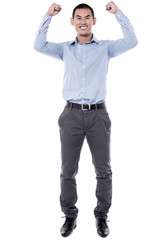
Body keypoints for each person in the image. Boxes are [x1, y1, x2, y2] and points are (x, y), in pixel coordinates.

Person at [34, 1, 138, 238]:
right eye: (78, 17)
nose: (83, 21)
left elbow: (132, 41)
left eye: (87, 17)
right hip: (70, 114)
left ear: (94, 21)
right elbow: (38, 45)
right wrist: (47, 15)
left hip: (98, 115)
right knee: (68, 170)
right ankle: (70, 215)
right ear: (72, 22)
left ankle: (101, 215)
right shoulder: (64, 49)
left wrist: (118, 13)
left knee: (103, 169)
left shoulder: (105, 48)